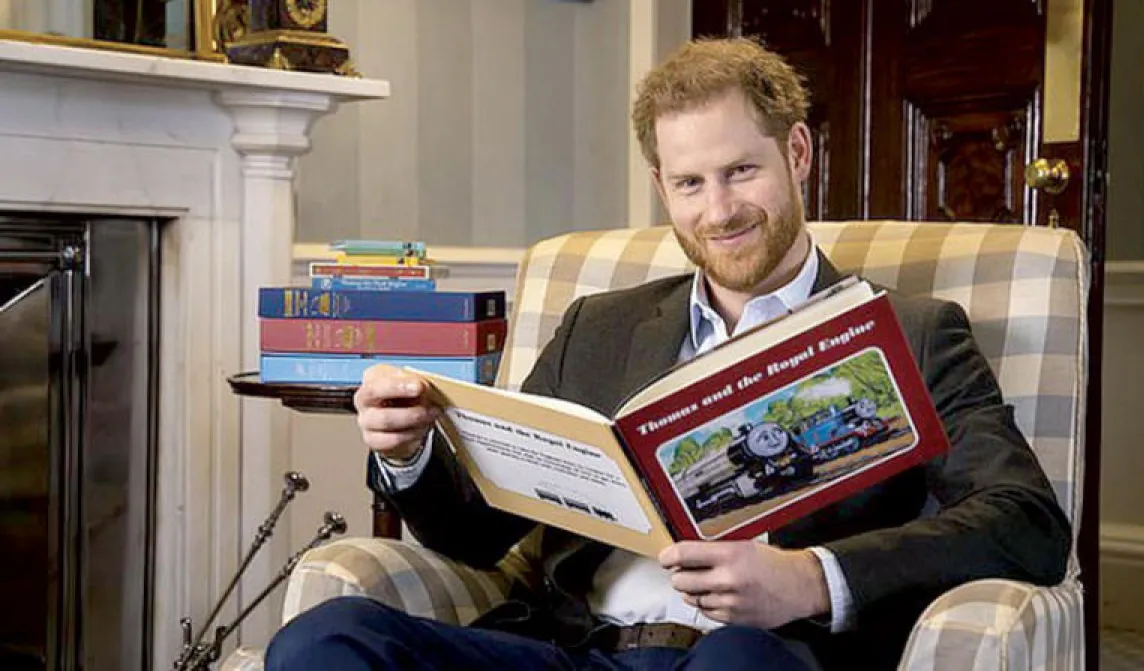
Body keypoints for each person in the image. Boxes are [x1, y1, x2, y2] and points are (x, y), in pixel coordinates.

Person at [265, 38, 1071, 671]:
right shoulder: (598, 327)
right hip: (575, 649)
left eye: (741, 171)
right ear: (662, 186)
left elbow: (1026, 523)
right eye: (690, 183)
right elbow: (476, 535)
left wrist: (813, 577)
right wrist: (408, 452)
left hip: (759, 656)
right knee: (324, 637)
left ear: (797, 153)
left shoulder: (914, 332)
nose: (719, 212)